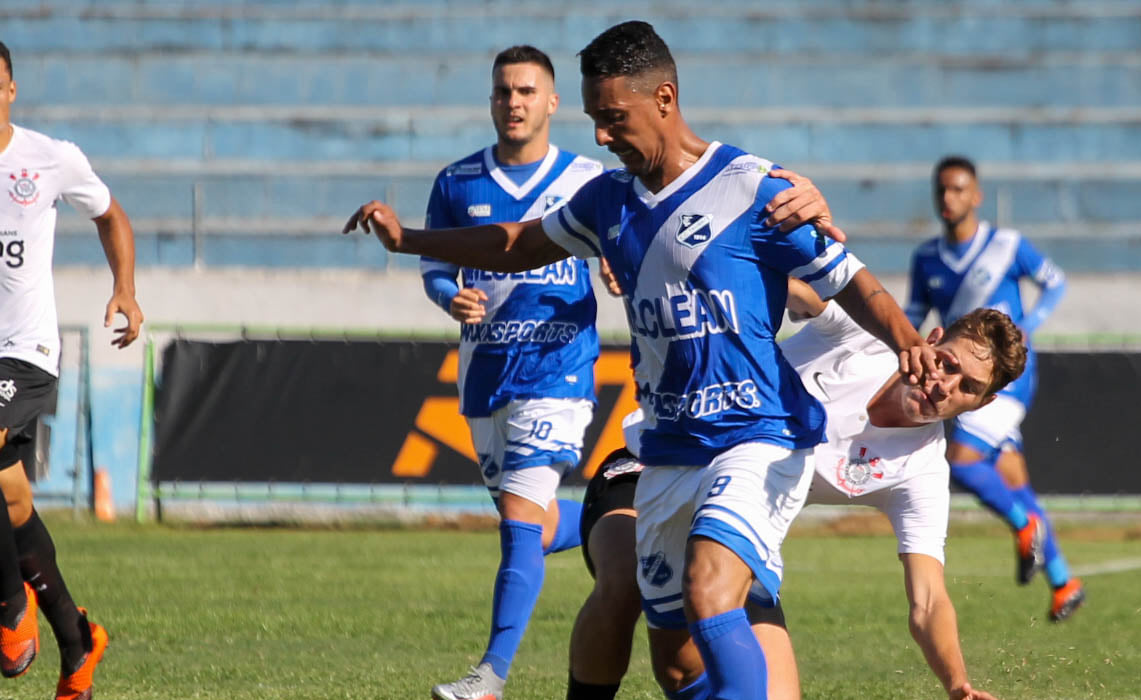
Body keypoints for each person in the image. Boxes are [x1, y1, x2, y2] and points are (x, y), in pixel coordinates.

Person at [345, 21, 936, 700]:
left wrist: (906, 340)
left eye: (613, 117)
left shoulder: (754, 189)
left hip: (756, 439)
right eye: (595, 119)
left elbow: (849, 279)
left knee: (711, 592)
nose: (600, 136)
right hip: (667, 449)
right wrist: (409, 240)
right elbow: (519, 243)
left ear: (664, 98)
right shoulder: (608, 200)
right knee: (678, 663)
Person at [567, 286, 1016, 700]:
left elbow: (929, 599)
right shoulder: (861, 338)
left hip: (736, 514)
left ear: (983, 404)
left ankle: (551, 525)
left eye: (969, 388)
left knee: (706, 676)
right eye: (949, 363)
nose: (944, 386)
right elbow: (796, 288)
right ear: (932, 339)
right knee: (624, 583)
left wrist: (958, 684)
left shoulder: (921, 471)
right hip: (650, 466)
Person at [420, 45, 604, 700]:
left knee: (518, 521)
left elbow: (627, 246)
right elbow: (435, 265)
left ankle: (489, 677)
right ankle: (623, 518)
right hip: (485, 374)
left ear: (552, 102)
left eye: (526, 91)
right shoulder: (457, 182)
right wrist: (448, 295)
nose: (514, 102)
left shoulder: (589, 179)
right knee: (529, 520)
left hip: (558, 371)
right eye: (503, 91)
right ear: (491, 100)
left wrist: (616, 266)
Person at [0, 39, 140, 700]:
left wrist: (125, 289)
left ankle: (9, 614)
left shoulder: (49, 158)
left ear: (11, 89)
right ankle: (77, 640)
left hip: (24, 352)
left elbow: (110, 214)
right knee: (12, 497)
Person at [905, 155, 1084, 622]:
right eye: (942, 189)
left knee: (960, 461)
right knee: (1012, 479)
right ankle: (1065, 582)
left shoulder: (1007, 245)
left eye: (959, 189)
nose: (949, 198)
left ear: (976, 195)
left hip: (1006, 380)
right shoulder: (926, 258)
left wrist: (1030, 325)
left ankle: (1025, 528)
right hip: (959, 380)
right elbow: (913, 314)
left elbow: (1055, 281)